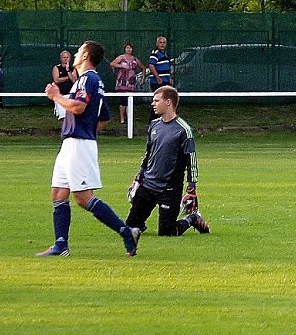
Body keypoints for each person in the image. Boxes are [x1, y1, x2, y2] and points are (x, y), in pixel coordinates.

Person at [36, 40, 141, 257]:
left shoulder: (88, 79)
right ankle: (61, 245)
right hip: (72, 143)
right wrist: (85, 129)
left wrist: (56, 96)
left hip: (78, 144)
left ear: (85, 56)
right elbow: (104, 118)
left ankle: (126, 231)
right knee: (58, 193)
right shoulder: (89, 81)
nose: (75, 54)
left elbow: (78, 106)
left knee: (83, 197)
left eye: (79, 51)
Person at [126, 85, 210, 236]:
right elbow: (148, 154)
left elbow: (191, 159)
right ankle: (140, 220)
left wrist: (191, 188)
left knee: (167, 232)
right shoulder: (154, 125)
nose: (153, 104)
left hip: (169, 189)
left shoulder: (183, 129)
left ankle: (193, 218)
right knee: (131, 226)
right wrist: (138, 177)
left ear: (168, 102)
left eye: (156, 100)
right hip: (148, 185)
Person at [110, 41, 146, 124]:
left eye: (130, 48)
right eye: (127, 48)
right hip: (122, 82)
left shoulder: (135, 59)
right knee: (123, 101)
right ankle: (122, 119)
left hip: (131, 83)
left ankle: (129, 118)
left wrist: (143, 78)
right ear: (124, 49)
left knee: (129, 101)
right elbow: (112, 64)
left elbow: (143, 67)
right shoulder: (121, 57)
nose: (129, 49)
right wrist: (121, 66)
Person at [52, 50, 77, 119]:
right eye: (64, 57)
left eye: (67, 57)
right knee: (63, 116)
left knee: (72, 116)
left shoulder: (73, 68)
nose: (66, 59)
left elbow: (74, 80)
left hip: (71, 95)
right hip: (61, 95)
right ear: (61, 58)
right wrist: (68, 77)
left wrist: (68, 71)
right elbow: (56, 80)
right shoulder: (56, 68)